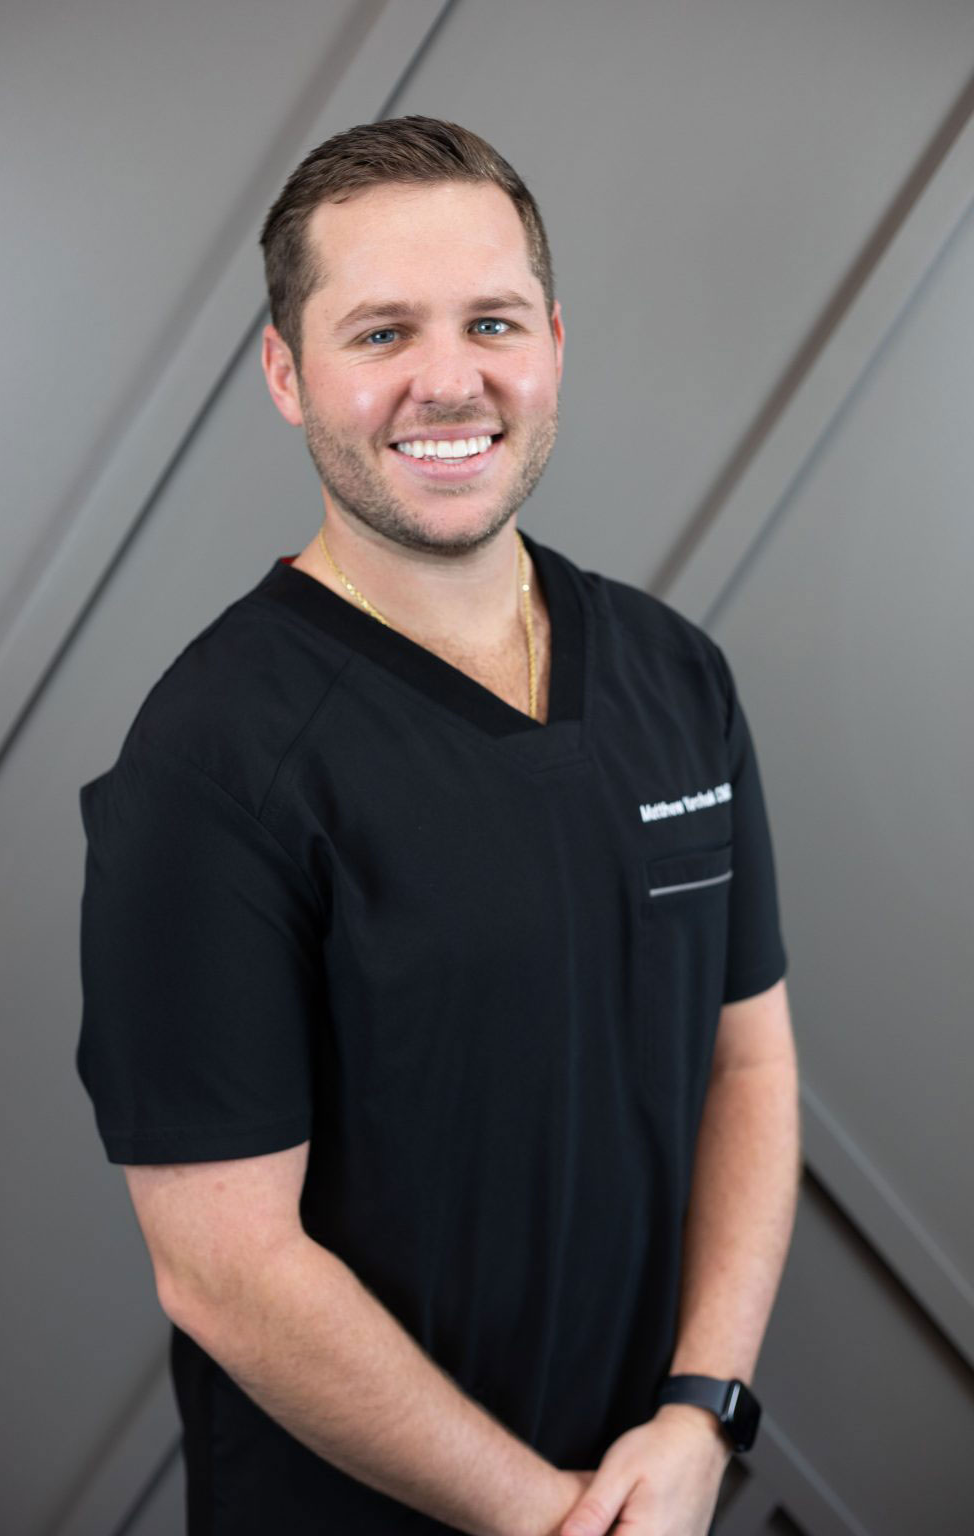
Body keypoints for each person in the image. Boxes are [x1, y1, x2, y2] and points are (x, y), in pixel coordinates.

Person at [76, 115, 801, 1536]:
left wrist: (697, 1414)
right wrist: (549, 1517)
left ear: (554, 349)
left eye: (490, 321)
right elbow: (226, 1269)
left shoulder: (674, 676)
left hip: (661, 1483)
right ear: (287, 373)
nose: (450, 380)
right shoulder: (208, 766)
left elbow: (751, 1058)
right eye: (381, 332)